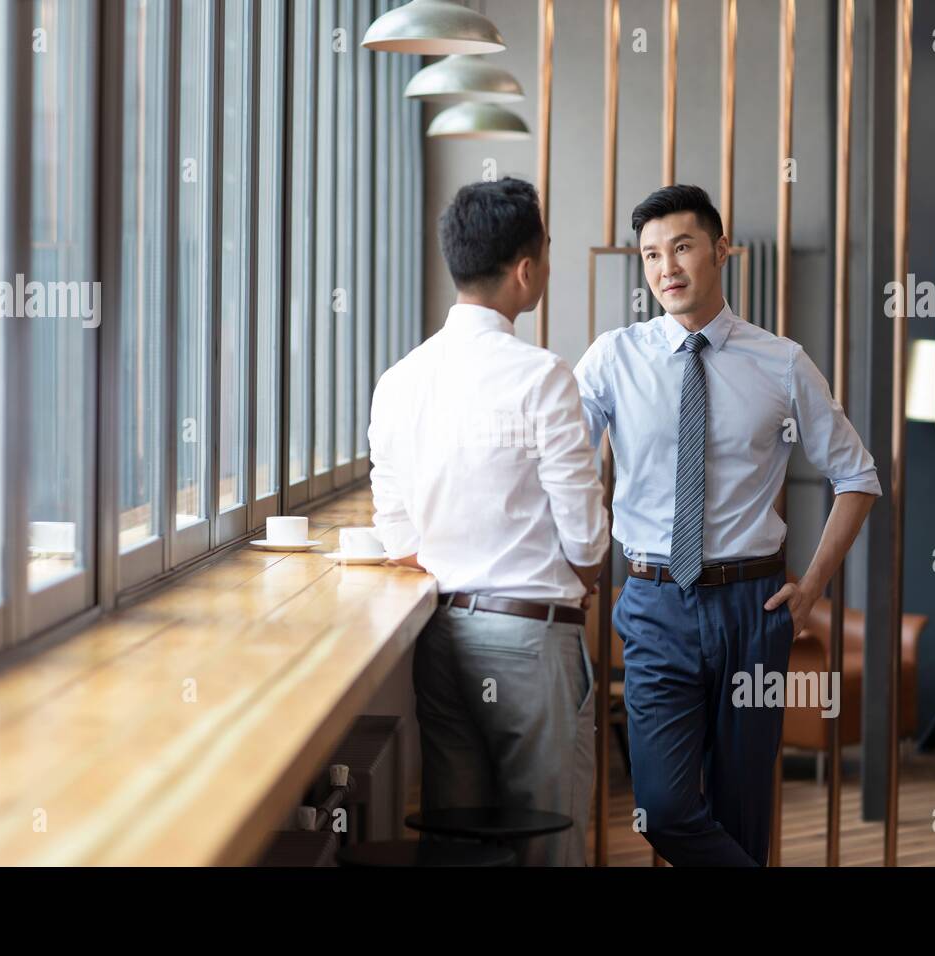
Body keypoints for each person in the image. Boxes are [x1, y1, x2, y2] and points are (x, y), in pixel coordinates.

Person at [574, 184, 881, 866]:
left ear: (721, 251)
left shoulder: (782, 362)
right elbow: (557, 461)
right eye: (651, 254)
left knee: (743, 813)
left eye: (681, 247)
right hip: (654, 604)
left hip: (754, 607)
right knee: (663, 808)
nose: (666, 268)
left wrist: (814, 590)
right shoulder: (612, 360)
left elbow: (858, 478)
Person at [368, 177, 609, 865]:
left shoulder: (400, 379)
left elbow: (400, 532)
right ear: (526, 269)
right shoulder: (541, 376)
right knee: (549, 843)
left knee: (458, 843)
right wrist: (583, 572)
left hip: (439, 637)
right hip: (531, 639)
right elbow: (587, 539)